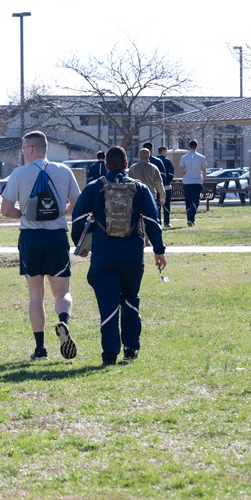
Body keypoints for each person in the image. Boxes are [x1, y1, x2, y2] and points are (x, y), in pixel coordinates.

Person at [71, 146, 167, 366]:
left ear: (105, 166)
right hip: (133, 256)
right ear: (126, 165)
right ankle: (131, 349)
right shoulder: (139, 189)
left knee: (108, 304)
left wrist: (80, 244)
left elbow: (77, 220)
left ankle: (109, 354)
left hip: (104, 256)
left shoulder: (94, 188)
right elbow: (153, 222)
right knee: (130, 299)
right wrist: (159, 251)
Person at [1, 131, 81, 361]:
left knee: (36, 295)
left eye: (24, 148)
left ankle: (40, 349)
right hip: (56, 237)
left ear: (32, 149)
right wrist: (60, 213)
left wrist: (25, 215)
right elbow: (75, 203)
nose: (23, 151)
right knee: (62, 292)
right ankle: (63, 322)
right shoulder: (64, 171)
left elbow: (6, 210)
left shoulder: (19, 173)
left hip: (30, 238)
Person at [178, 139, 207, 227]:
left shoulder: (184, 157)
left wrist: (184, 172)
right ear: (197, 147)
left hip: (187, 181)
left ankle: (190, 219)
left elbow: (181, 170)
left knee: (188, 201)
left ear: (189, 147)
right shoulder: (201, 157)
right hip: (197, 181)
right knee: (195, 201)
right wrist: (203, 179)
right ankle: (191, 218)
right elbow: (204, 169)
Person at [155, 145, 175, 227]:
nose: (167, 153)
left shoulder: (155, 161)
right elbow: (171, 173)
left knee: (157, 205)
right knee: (166, 205)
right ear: (163, 151)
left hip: (156, 187)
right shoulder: (167, 161)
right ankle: (166, 222)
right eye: (166, 151)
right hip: (166, 186)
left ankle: (158, 221)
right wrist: (168, 181)